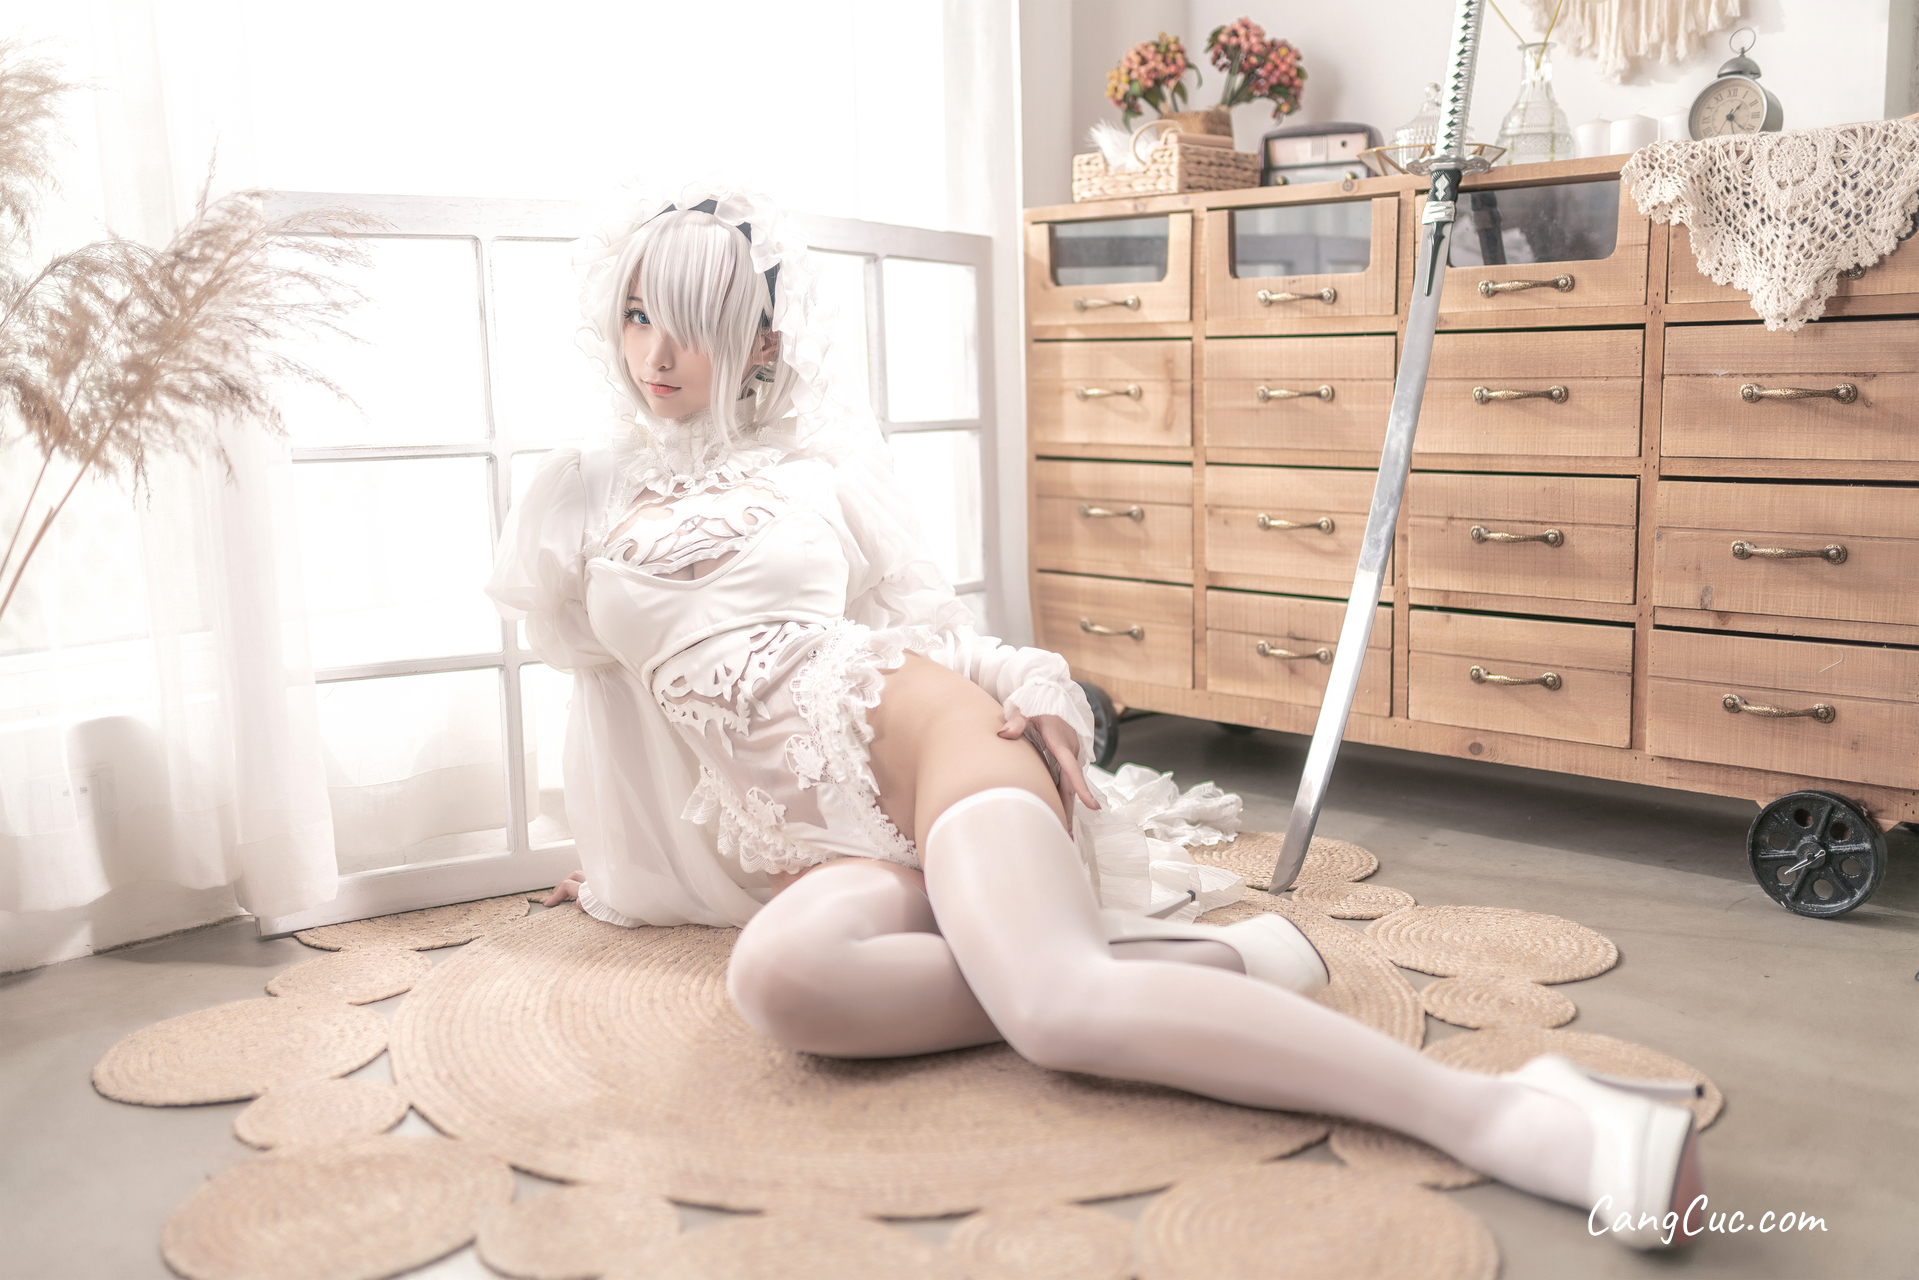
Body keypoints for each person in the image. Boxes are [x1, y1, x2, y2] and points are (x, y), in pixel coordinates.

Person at [486, 185, 1704, 1251]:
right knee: (780, 982)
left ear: (757, 337)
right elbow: (616, 708)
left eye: (690, 319)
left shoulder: (815, 475)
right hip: (828, 844)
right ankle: (1219, 961)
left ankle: (1514, 1113)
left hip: (936, 749)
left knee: (1056, 1013)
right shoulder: (578, 495)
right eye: (636, 315)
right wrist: (625, 869)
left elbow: (923, 632)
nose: (656, 351)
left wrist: (1031, 686)